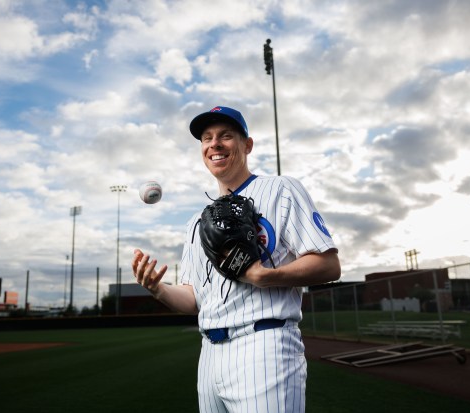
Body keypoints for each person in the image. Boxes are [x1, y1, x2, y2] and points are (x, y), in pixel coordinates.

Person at [132, 105, 341, 412]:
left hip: (263, 345)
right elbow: (193, 298)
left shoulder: (279, 189)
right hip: (209, 355)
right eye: (206, 138)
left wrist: (264, 276)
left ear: (247, 145)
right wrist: (158, 289)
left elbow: (329, 265)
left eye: (226, 135)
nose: (214, 144)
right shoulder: (196, 223)